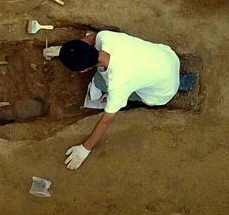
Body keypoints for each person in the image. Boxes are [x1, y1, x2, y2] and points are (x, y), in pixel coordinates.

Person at [46, 30, 183, 170]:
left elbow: (107, 120)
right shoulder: (105, 37)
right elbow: (92, 37)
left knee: (99, 82)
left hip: (161, 94)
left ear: (84, 70)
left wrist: (85, 149)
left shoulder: (117, 84)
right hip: (169, 58)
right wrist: (65, 51)